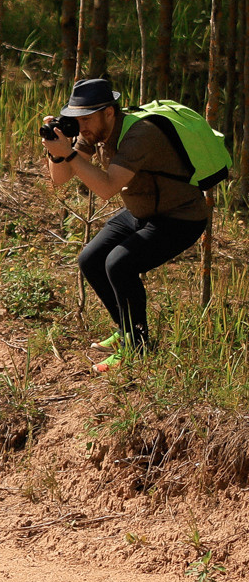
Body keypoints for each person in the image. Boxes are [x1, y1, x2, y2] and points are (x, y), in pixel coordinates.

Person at [42, 77, 212, 371]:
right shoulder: (92, 131)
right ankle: (127, 330)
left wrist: (68, 153)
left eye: (86, 119)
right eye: (76, 119)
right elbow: (60, 179)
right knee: (91, 259)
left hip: (180, 216)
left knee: (119, 264)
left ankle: (138, 347)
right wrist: (56, 151)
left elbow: (107, 188)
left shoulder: (140, 134)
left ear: (109, 112)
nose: (81, 126)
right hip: (143, 209)